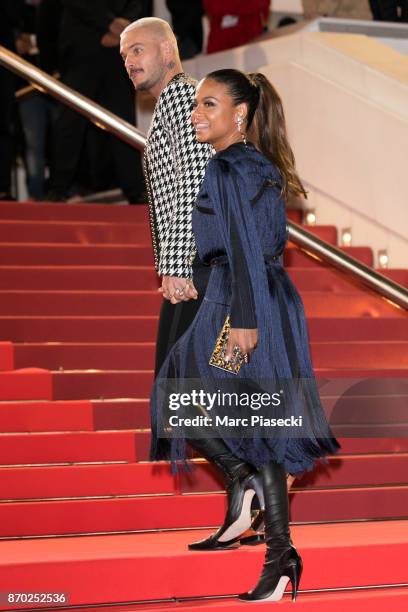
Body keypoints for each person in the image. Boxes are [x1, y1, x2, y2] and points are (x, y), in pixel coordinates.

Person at [150, 68, 340, 601]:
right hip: (249, 298)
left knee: (231, 415)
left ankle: (280, 554)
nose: (196, 116)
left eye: (209, 105)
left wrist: (245, 321)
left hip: (241, 303)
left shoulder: (228, 168)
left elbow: (240, 248)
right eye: (196, 106)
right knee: (208, 407)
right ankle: (251, 489)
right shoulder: (254, 163)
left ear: (240, 114)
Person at [120, 17, 267, 548]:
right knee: (205, 393)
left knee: (175, 394)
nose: (130, 61)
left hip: (205, 271)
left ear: (168, 49)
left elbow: (196, 187)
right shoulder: (169, 109)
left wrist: (178, 264)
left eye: (137, 49)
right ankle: (248, 505)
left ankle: (248, 480)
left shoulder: (188, 101)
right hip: (202, 268)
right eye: (123, 56)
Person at [47, 0, 147, 203]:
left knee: (122, 119)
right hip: (83, 45)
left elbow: (137, 3)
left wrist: (124, 27)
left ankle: (134, 188)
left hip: (119, 48)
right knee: (71, 120)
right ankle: (58, 187)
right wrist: (109, 24)